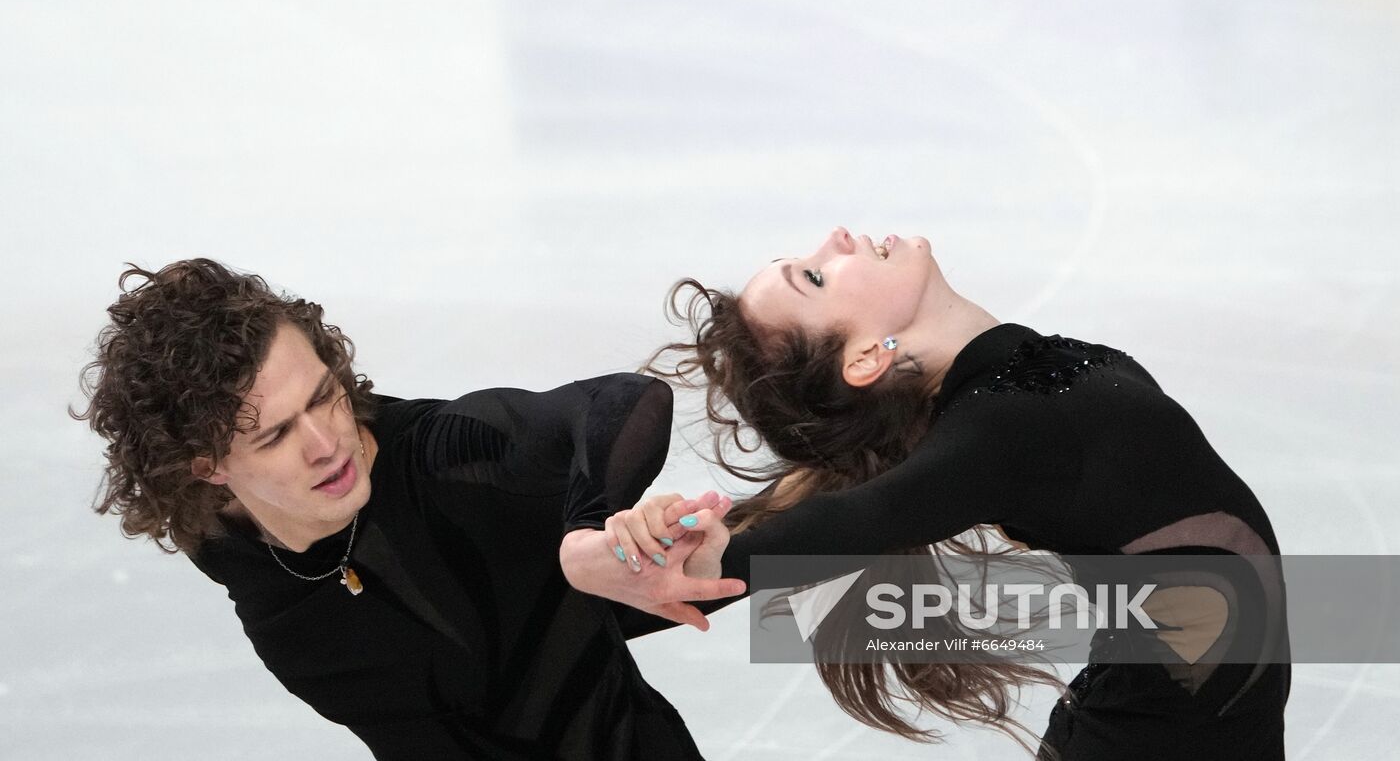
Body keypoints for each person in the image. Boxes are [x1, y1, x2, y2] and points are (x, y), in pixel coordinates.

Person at [561, 227, 1290, 760]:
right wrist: (645, 566)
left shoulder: (1009, 396)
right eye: (815, 277)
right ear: (865, 356)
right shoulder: (1001, 428)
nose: (836, 238)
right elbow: (861, 516)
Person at [73, 258, 744, 761]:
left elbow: (628, 402)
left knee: (809, 557)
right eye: (275, 434)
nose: (324, 442)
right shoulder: (225, 541)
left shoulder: (442, 460)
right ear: (208, 468)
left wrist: (583, 531)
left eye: (323, 394)